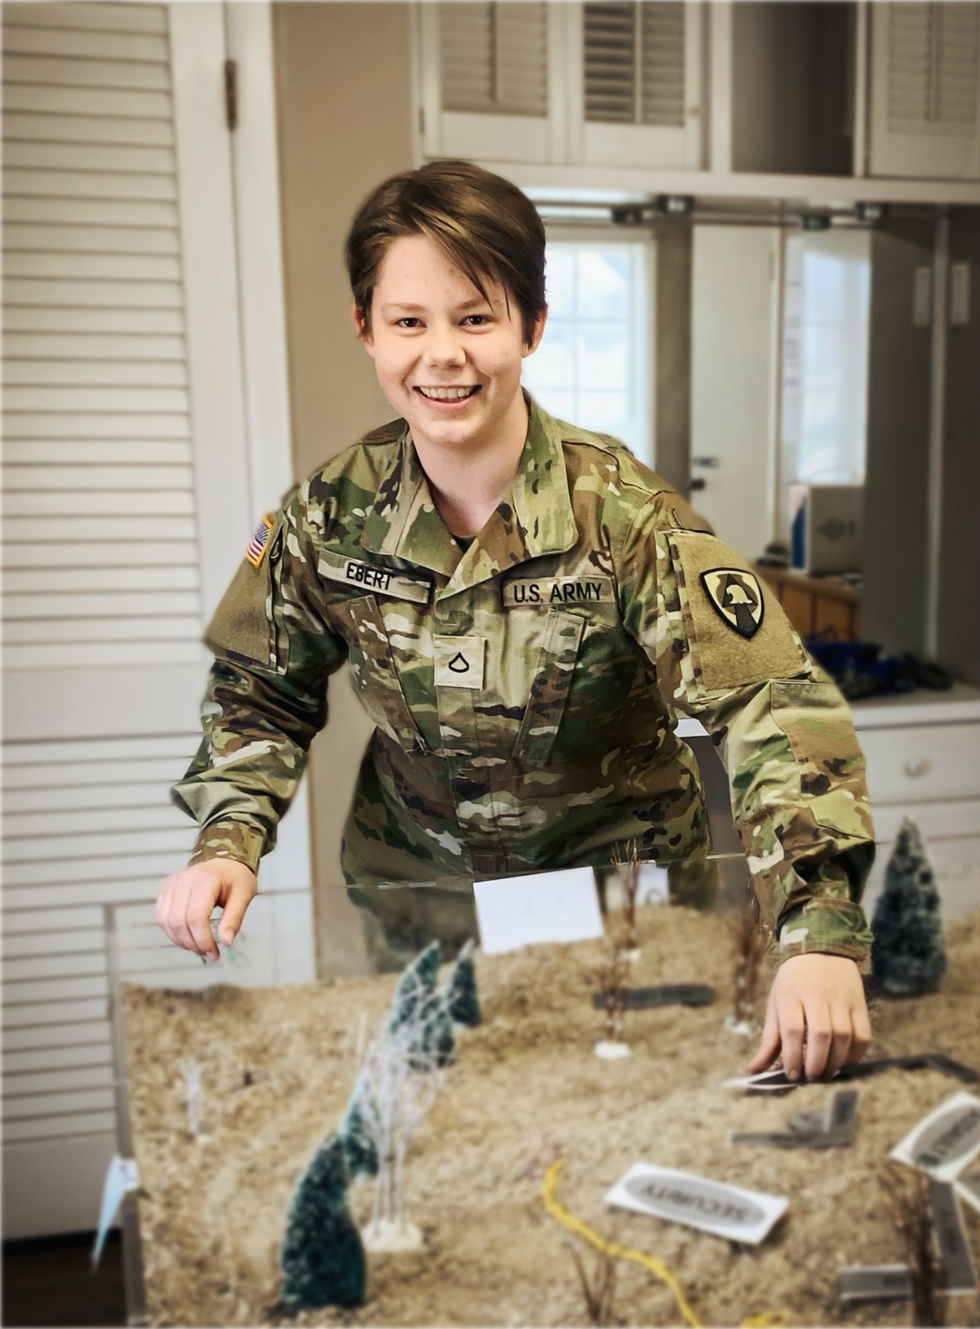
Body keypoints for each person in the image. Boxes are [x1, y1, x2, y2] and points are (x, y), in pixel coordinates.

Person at [158, 160, 875, 1082]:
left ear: (532, 327)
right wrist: (230, 838)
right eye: (409, 321)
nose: (442, 355)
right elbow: (259, 687)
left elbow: (773, 706)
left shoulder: (623, 515)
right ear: (366, 330)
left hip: (630, 923)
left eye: (476, 317)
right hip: (419, 913)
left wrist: (815, 931)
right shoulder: (324, 516)